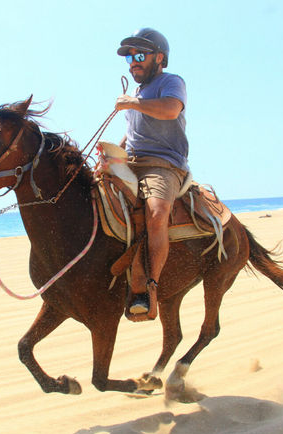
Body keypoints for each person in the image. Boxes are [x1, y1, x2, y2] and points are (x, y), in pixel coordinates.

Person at [115, 27, 189, 316]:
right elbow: (133, 134)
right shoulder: (137, 93)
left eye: (141, 55)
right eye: (130, 57)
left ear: (160, 58)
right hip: (132, 161)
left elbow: (171, 110)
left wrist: (133, 103)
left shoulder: (171, 82)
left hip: (163, 164)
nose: (134, 61)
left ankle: (149, 287)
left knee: (156, 213)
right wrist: (114, 152)